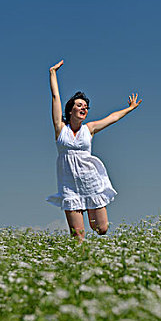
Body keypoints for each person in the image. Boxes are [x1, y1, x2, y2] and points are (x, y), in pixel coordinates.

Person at [46, 60, 142, 242]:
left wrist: (129, 109)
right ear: (70, 109)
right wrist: (52, 73)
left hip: (90, 181)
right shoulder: (60, 128)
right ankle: (81, 265)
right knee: (78, 238)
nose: (84, 108)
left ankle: (91, 215)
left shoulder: (89, 129)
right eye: (80, 105)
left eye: (86, 107)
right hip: (69, 186)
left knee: (102, 229)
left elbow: (111, 118)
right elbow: (55, 97)